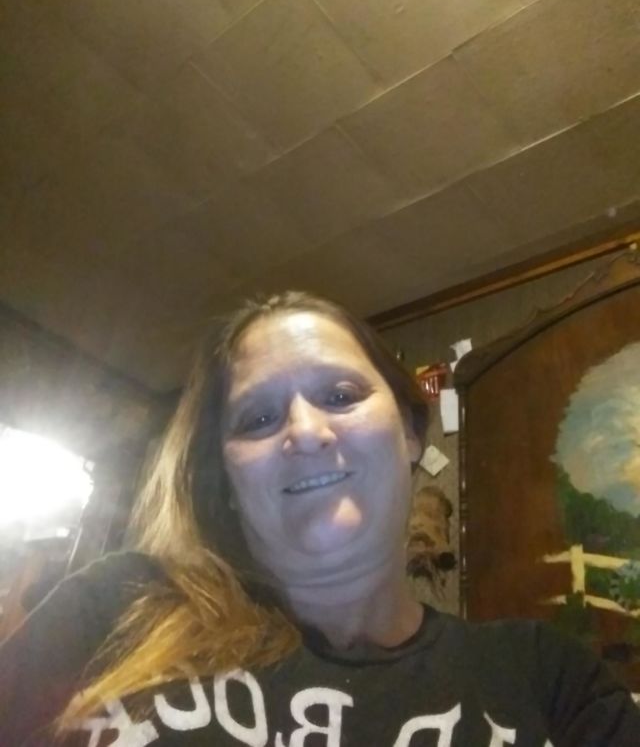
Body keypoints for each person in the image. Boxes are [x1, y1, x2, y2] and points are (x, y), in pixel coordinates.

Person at [0, 291, 638, 746]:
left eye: (340, 395)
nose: (305, 432)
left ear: (410, 433)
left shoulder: (543, 676)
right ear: (224, 481)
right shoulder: (117, 610)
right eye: (258, 418)